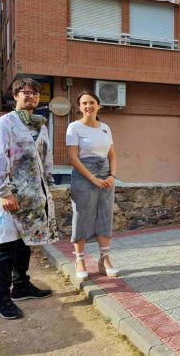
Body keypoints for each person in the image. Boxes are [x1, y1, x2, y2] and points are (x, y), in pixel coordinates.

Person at [0, 78, 58, 320]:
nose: (31, 96)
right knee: (5, 246)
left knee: (25, 242)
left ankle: (21, 286)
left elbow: (45, 158)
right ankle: (2, 300)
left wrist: (48, 186)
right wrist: (3, 191)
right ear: (15, 96)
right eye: (25, 92)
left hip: (34, 196)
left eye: (35, 93)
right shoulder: (4, 124)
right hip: (11, 195)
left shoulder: (41, 124)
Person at [67, 91, 119, 280]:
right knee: (81, 216)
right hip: (84, 175)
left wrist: (113, 175)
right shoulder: (74, 127)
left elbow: (112, 154)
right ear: (79, 107)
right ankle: (79, 260)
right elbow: (73, 158)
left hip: (106, 175)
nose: (88, 106)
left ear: (98, 105)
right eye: (84, 103)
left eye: (91, 102)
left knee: (105, 215)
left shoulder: (105, 127)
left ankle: (104, 260)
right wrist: (92, 178)